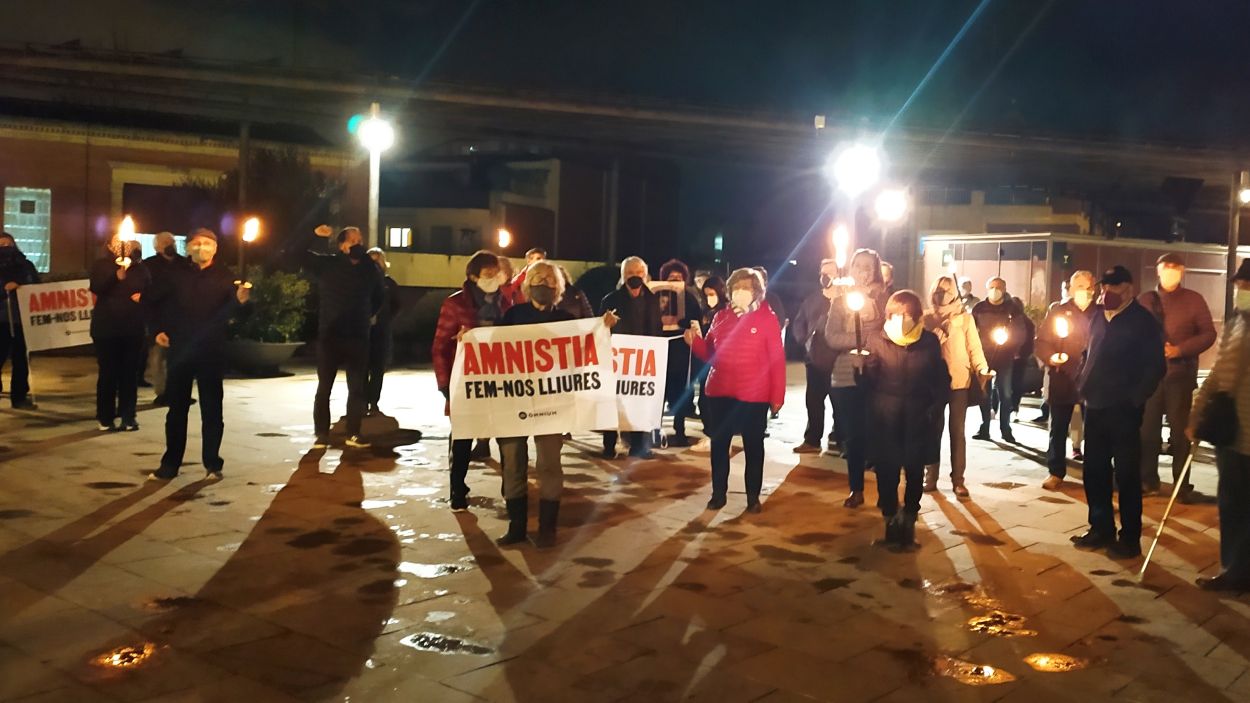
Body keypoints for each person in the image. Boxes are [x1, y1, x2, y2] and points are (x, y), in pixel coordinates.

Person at [495, 261, 601, 548]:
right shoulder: (513, 315)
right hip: (513, 402)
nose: (545, 283)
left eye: (550, 280)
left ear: (559, 288)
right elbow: (490, 351)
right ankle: (516, 527)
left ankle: (547, 529)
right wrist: (467, 340)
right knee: (513, 463)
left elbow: (585, 351)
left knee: (549, 465)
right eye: (538, 278)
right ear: (528, 284)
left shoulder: (567, 319)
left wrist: (603, 330)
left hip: (551, 403)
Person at [1072, 265, 1165, 559]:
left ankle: (1129, 537)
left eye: (1112, 287)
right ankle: (1100, 527)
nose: (1105, 292)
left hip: (1123, 410)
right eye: (1104, 287)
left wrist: (1135, 399)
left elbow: (1155, 367)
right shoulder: (1099, 316)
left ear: (1129, 289)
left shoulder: (1143, 322)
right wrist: (1081, 380)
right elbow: (1089, 352)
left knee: (1126, 475)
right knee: (1094, 471)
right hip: (1095, 406)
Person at [149, 228, 250, 480]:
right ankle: (170, 463)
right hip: (180, 349)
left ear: (215, 248)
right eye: (196, 243)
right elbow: (153, 302)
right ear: (188, 247)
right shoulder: (175, 274)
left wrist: (242, 302)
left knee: (212, 409)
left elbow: (238, 315)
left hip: (211, 351)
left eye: (206, 243)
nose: (200, 247)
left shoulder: (227, 277)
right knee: (176, 409)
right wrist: (157, 329)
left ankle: (212, 463)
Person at [686, 267, 785, 513]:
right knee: (720, 445)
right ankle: (718, 494)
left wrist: (777, 397)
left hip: (754, 395)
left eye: (747, 287)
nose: (741, 291)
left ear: (758, 292)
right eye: (737, 287)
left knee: (754, 446)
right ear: (729, 291)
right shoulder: (721, 317)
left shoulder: (766, 318)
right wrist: (695, 343)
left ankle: (753, 497)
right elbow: (711, 354)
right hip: (720, 391)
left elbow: (776, 360)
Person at [860, 290, 950, 549]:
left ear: (918, 316)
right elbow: (868, 382)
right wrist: (861, 370)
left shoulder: (929, 341)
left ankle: (909, 517)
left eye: (908, 314)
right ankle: (889, 517)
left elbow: (939, 378)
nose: (902, 319)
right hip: (885, 417)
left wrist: (935, 406)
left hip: (918, 417)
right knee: (886, 471)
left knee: (913, 470)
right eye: (897, 314)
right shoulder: (877, 339)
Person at [432, 250, 511, 510]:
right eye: (487, 275)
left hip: (501, 382)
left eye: (496, 274)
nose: (493, 279)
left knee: (507, 439)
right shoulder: (455, 304)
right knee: (463, 440)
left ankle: (511, 491)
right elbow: (440, 346)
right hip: (465, 383)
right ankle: (458, 489)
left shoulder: (507, 303)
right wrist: (445, 385)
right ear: (472, 276)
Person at [1190, 259, 1250, 592]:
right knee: (1231, 501)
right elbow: (1216, 374)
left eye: (1246, 286)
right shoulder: (1237, 322)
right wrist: (1197, 412)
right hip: (1232, 428)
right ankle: (1234, 569)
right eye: (1240, 286)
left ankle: (1239, 571)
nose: (1241, 291)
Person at [1139, 253, 1217, 501]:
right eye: (1167, 267)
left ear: (1183, 272)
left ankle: (1181, 484)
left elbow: (1208, 334)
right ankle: (1148, 480)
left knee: (1180, 431)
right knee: (1148, 430)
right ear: (1158, 271)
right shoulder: (1146, 300)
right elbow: (1133, 331)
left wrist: (1181, 350)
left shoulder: (1194, 300)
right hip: (1150, 377)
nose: (1171, 271)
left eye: (1176, 268)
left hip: (1180, 376)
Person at [307, 226, 384, 449]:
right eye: (353, 240)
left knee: (357, 387)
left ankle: (354, 433)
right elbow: (297, 254)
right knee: (324, 387)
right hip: (330, 335)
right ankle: (321, 434)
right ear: (342, 245)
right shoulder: (328, 264)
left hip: (358, 335)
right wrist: (316, 236)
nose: (358, 243)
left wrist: (366, 314)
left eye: (360, 239)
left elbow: (379, 295)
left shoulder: (369, 268)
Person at [824, 249, 888, 508]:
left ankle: (886, 493)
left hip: (879, 375)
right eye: (858, 266)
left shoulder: (884, 300)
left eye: (868, 267)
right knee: (854, 435)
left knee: (881, 433)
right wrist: (859, 342)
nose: (863, 271)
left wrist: (872, 346)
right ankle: (856, 488)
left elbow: (890, 334)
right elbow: (831, 336)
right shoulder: (840, 301)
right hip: (846, 376)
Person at [922, 275, 988, 497]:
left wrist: (982, 369)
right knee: (932, 430)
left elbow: (974, 347)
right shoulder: (927, 318)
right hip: (933, 383)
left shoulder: (965, 319)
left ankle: (958, 479)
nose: (942, 295)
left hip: (960, 381)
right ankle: (930, 477)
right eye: (938, 290)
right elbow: (922, 347)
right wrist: (939, 332)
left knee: (957, 432)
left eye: (947, 291)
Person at [1034, 271, 1097, 490]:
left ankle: (1094, 472)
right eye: (1077, 286)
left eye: (1086, 286)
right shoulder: (1059, 312)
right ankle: (1056, 470)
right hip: (1062, 377)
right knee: (1058, 428)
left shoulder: (1099, 313)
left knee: (1094, 430)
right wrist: (1051, 357)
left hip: (1091, 380)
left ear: (1093, 289)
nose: (1082, 290)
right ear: (1070, 289)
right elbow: (1042, 341)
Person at [599, 256, 662, 459]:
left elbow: (657, 329)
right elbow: (600, 330)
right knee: (613, 403)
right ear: (623, 276)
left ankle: (638, 446)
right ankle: (609, 446)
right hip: (618, 360)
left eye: (638, 273)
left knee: (640, 403)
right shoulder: (610, 300)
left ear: (645, 275)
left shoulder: (652, 299)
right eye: (630, 273)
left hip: (644, 360)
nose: (634, 277)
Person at [89, 233, 151, 432]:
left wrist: (144, 296)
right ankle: (105, 417)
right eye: (117, 242)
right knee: (108, 373)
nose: (122, 245)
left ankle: (128, 415)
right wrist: (116, 276)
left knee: (129, 374)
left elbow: (151, 290)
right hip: (107, 328)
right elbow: (97, 287)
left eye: (124, 242)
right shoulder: (102, 265)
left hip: (132, 328)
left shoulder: (140, 267)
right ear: (109, 245)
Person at [792, 259, 840, 455]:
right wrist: (804, 339)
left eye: (831, 272)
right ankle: (812, 440)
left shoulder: (845, 300)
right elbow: (799, 322)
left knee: (840, 404)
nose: (826, 276)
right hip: (815, 361)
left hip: (838, 362)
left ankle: (839, 439)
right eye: (823, 272)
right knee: (813, 402)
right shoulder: (812, 299)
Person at [972, 277, 1027, 443]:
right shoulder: (979, 308)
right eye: (992, 287)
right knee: (984, 395)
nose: (995, 290)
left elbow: (1020, 331)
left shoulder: (1013, 309)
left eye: (998, 287)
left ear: (1004, 289)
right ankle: (984, 427)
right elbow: (972, 330)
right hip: (983, 357)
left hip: (1005, 357)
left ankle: (1005, 429)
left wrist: (1012, 345)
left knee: (1005, 394)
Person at [657, 258, 703, 446]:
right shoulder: (656, 296)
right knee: (659, 395)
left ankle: (680, 429)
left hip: (682, 354)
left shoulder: (690, 298)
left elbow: (697, 322)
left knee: (682, 393)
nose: (675, 280)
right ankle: (654, 430)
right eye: (671, 277)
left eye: (679, 277)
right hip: (660, 352)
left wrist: (688, 325)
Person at [143, 232, 187, 406]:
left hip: (182, 319)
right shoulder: (149, 265)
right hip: (159, 319)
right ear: (157, 247)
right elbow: (148, 294)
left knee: (181, 359)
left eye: (173, 241)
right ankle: (162, 393)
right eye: (166, 242)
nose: (171, 244)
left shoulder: (184, 264)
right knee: (158, 359)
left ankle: (179, 392)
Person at [0, 232, 40, 409]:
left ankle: (19, 395)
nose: (5, 248)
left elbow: (37, 285)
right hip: (1, 319)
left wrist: (23, 285)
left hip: (21, 318)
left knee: (21, 359)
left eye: (7, 244)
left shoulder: (25, 265)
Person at [365, 248, 401, 415]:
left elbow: (397, 305)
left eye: (378, 261)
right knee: (361, 369)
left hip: (381, 331)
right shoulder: (360, 282)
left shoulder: (389, 283)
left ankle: (373, 402)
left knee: (378, 369)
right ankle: (361, 402)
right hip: (363, 331)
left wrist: (385, 319)